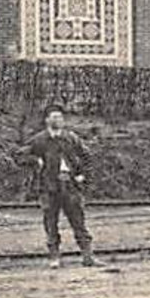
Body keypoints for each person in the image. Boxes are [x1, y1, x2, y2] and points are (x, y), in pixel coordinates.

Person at [20, 103, 95, 268]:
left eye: (60, 117)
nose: (58, 120)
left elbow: (87, 156)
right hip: (49, 187)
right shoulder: (39, 140)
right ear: (47, 120)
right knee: (50, 222)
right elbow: (20, 156)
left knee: (78, 221)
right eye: (54, 117)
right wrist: (35, 161)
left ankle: (87, 256)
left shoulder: (71, 138)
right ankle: (54, 257)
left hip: (70, 185)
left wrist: (82, 175)